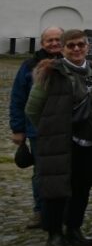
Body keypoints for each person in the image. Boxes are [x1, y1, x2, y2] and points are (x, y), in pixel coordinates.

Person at [26, 29, 92, 246]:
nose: (76, 49)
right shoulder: (52, 73)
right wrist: (51, 131)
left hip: (90, 143)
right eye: (71, 45)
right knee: (56, 189)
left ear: (87, 46)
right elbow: (33, 109)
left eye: (81, 45)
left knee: (81, 188)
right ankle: (54, 234)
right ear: (62, 48)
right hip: (61, 143)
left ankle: (74, 229)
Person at [9, 25, 62, 229]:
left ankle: (62, 211)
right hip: (38, 129)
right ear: (42, 43)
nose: (54, 43)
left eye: (58, 39)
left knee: (65, 171)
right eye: (50, 40)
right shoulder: (29, 65)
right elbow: (18, 97)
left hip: (67, 129)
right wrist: (17, 129)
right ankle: (40, 211)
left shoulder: (70, 63)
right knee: (41, 172)